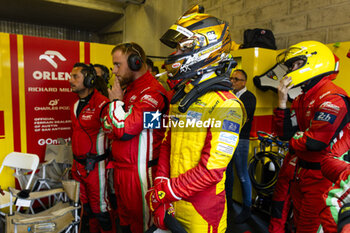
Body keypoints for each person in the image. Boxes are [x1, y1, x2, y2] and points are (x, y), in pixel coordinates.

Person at [145, 5, 246, 233]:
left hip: (202, 209)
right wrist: (161, 182)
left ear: (205, 47)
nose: (175, 54)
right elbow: (167, 144)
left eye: (182, 48)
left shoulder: (227, 105)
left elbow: (212, 170)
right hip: (172, 199)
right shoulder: (183, 96)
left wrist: (165, 191)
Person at [270, 40, 350, 232]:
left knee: (309, 227)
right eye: (290, 66)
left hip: (322, 177)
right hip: (300, 172)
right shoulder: (301, 97)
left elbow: (315, 142)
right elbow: (284, 135)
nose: (291, 70)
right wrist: (282, 101)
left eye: (296, 64)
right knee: (296, 222)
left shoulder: (332, 96)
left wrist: (295, 139)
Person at [102, 42, 169, 233]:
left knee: (144, 226)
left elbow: (123, 130)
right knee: (124, 224)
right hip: (122, 170)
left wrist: (115, 102)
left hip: (141, 174)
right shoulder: (128, 90)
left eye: (117, 65)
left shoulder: (153, 93)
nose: (114, 71)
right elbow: (108, 126)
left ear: (135, 62)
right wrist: (119, 114)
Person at [69, 63, 114, 233]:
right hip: (78, 166)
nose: (70, 80)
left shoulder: (103, 104)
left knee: (101, 208)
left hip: (97, 167)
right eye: (70, 76)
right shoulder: (74, 106)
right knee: (85, 208)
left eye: (75, 77)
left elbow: (114, 134)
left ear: (88, 80)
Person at [225, 69, 256, 223]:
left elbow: (243, 118)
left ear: (244, 82)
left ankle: (247, 209)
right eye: (231, 78)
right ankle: (228, 202)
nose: (232, 82)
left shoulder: (249, 97)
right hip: (228, 137)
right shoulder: (230, 95)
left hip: (241, 140)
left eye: (236, 79)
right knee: (228, 172)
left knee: (243, 175)